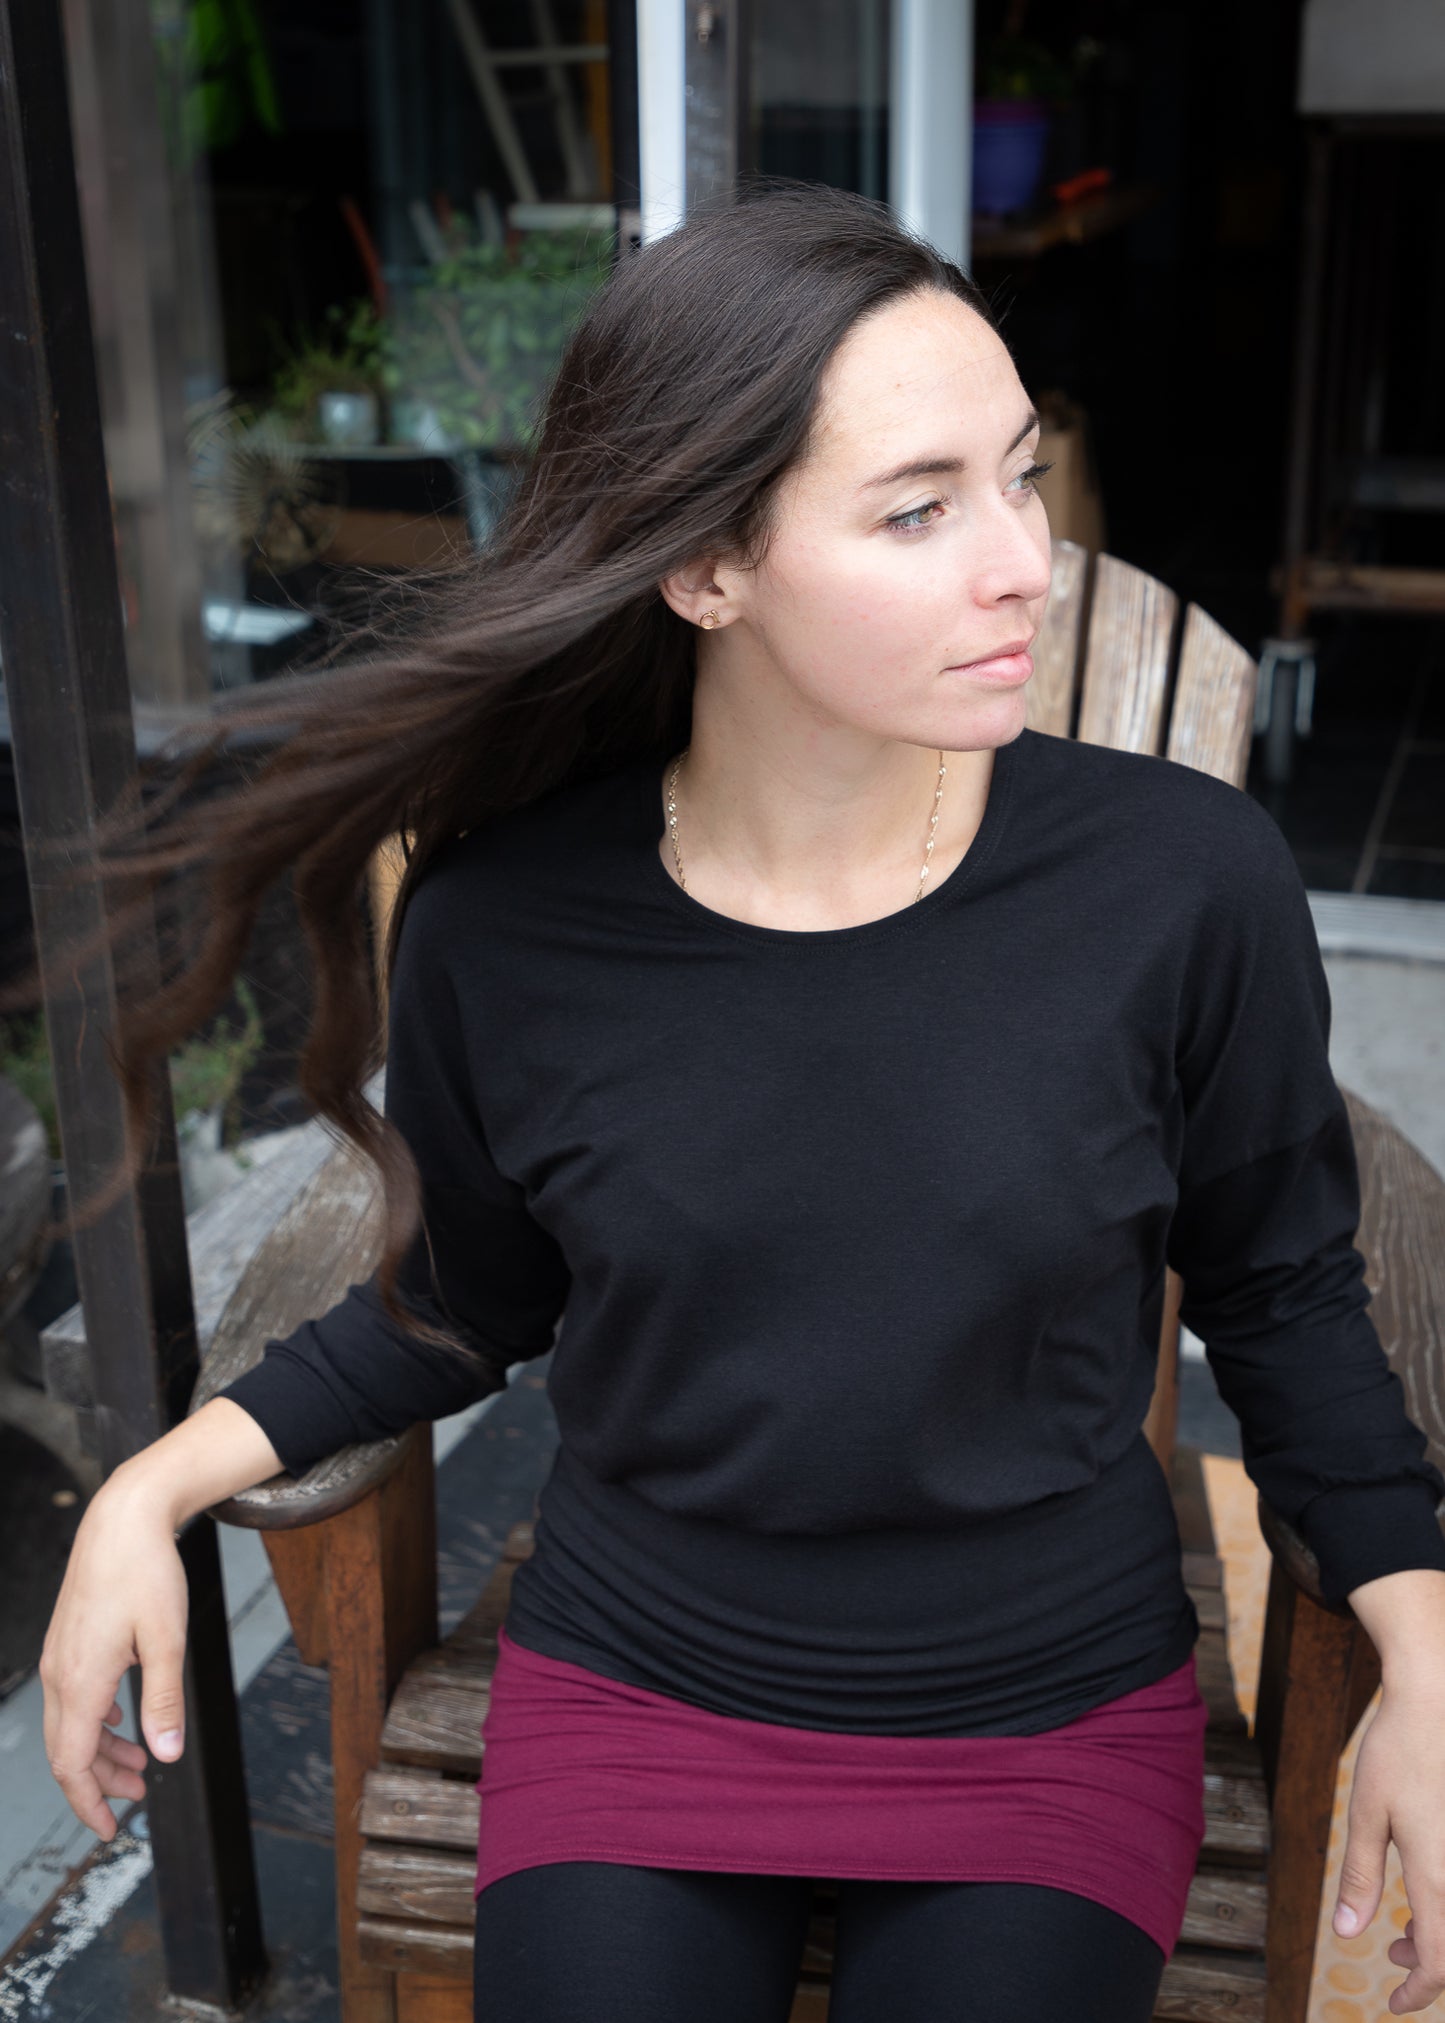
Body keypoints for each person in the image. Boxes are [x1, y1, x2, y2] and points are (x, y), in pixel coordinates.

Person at [37, 181, 1445, 2023]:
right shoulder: (509, 926)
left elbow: (1280, 1285)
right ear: (705, 570)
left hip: (1038, 1711)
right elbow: (461, 1298)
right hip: (639, 1687)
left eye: (1019, 479)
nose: (1022, 563)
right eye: (918, 509)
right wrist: (145, 1489)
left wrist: (1423, 1647)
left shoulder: (1180, 884)